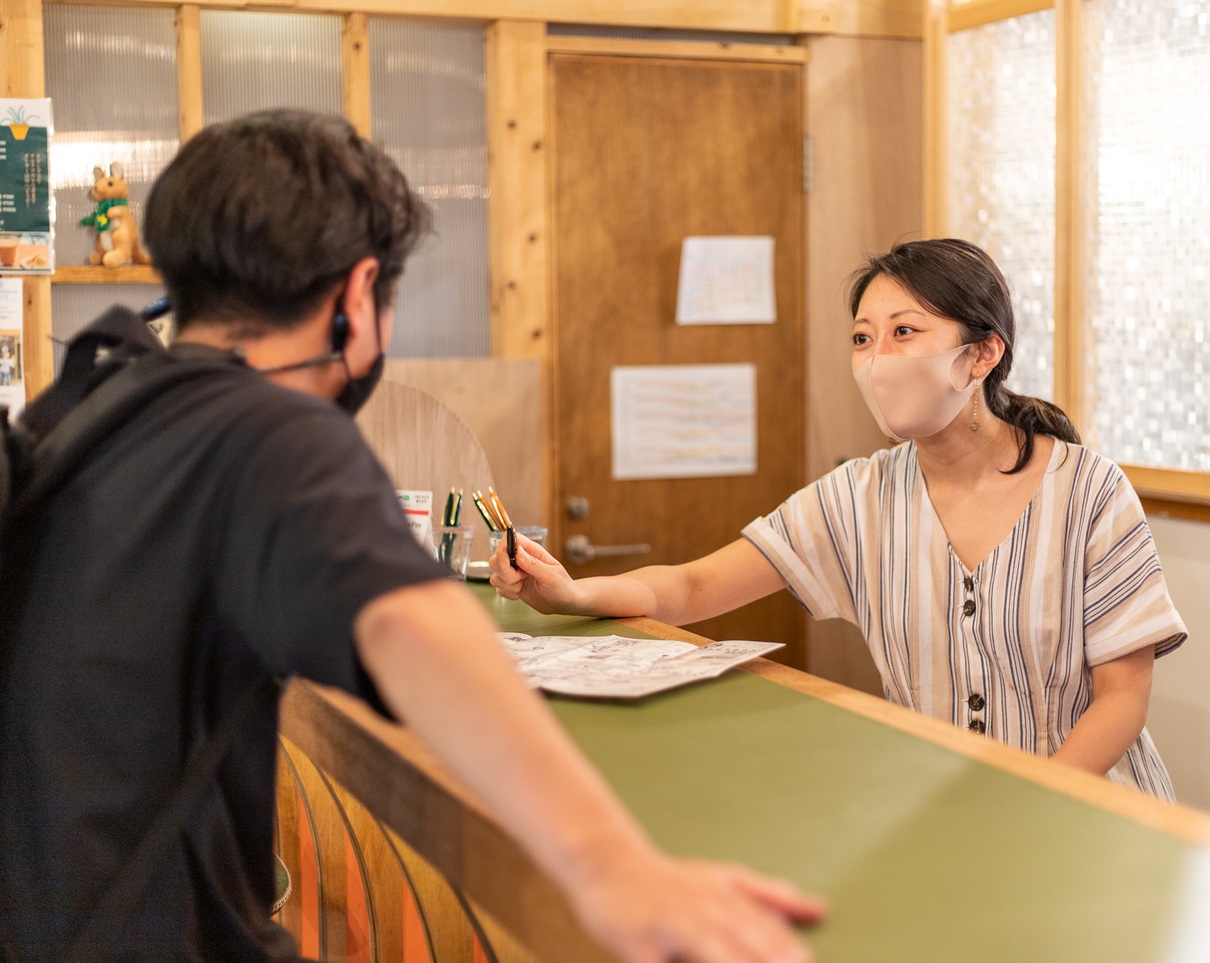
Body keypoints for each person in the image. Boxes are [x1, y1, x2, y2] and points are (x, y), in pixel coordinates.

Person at [0, 110, 823, 963]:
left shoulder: (91, 405)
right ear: (358, 296)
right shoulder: (275, 432)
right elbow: (411, 626)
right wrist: (615, 868)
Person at [492, 238, 1188, 800]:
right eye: (861, 339)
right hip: (940, 810)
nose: (876, 360)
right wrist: (573, 593)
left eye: (903, 332)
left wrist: (1027, 801)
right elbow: (693, 588)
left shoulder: (1089, 490)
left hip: (1089, 814)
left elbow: (1121, 700)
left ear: (982, 353)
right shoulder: (858, 496)